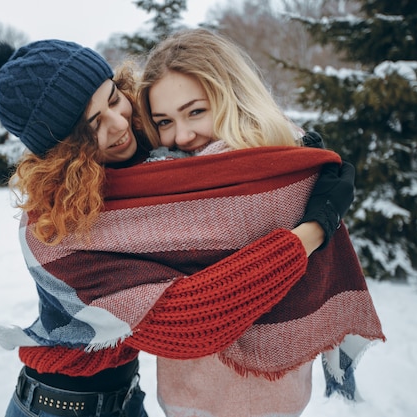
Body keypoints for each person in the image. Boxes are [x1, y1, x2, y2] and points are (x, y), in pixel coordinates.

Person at [0, 38, 370, 417]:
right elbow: (188, 320)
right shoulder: (54, 230)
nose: (118, 125)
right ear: (62, 153)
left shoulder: (139, 165)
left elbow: (219, 139)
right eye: (90, 127)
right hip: (58, 406)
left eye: (113, 100)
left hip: (128, 397)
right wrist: (312, 231)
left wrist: (297, 160)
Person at [134, 28, 384, 417]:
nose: (181, 135)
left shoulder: (292, 169)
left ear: (233, 95)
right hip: (185, 393)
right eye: (164, 121)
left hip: (269, 394)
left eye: (196, 111)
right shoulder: (155, 186)